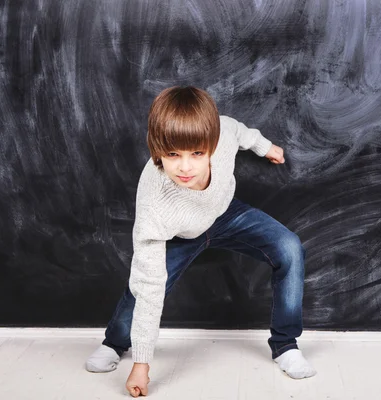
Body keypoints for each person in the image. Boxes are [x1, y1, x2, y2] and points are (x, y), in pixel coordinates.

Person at [85, 86, 316, 397]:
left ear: (212, 144)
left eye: (197, 153)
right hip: (180, 234)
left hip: (224, 213)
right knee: (142, 287)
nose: (185, 167)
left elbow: (238, 130)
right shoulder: (153, 203)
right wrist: (142, 364)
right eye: (172, 155)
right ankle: (115, 343)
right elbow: (149, 288)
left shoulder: (223, 134)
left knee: (289, 247)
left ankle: (285, 344)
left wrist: (265, 147)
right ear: (157, 151)